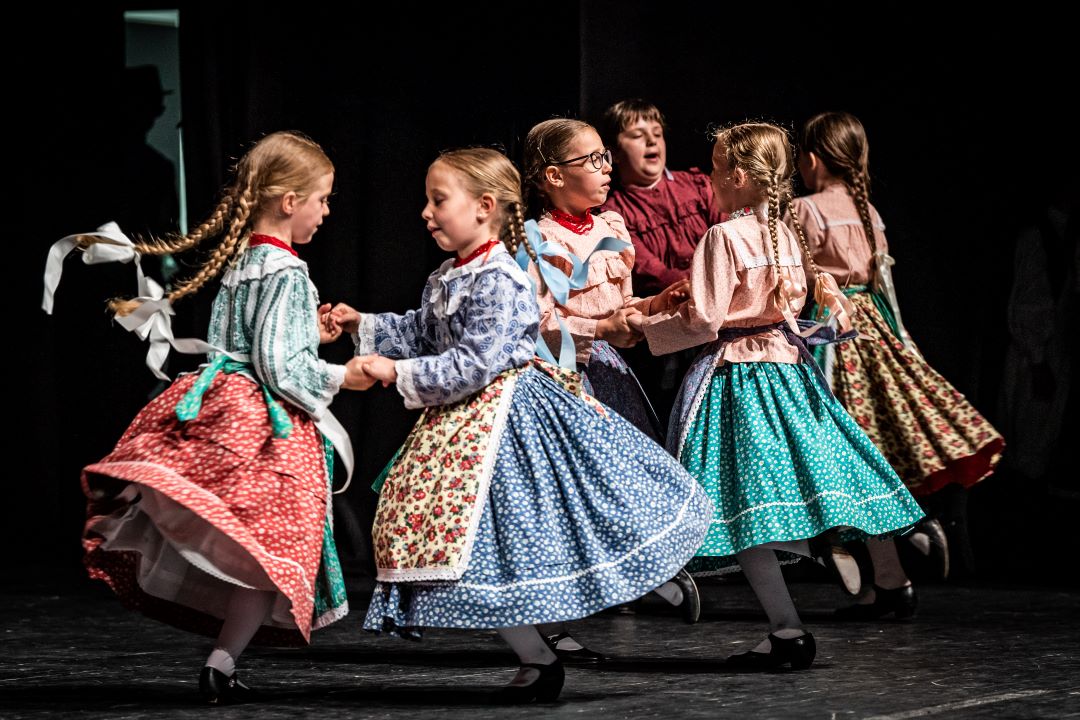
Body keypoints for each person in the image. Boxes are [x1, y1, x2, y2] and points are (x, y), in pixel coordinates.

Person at [330, 148, 711, 702]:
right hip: (462, 425)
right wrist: (361, 325)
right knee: (473, 545)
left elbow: (475, 362)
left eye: (439, 200)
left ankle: (616, 603)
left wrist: (395, 372)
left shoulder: (500, 277)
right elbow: (423, 333)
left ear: (485, 207)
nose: (426, 213)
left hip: (506, 421)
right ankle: (538, 656)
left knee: (523, 533)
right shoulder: (448, 275)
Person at [43, 131, 375, 703]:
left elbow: (257, 344)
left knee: (254, 548)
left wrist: (308, 335)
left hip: (223, 402)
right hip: (262, 424)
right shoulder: (288, 271)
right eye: (322, 199)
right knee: (271, 551)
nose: (326, 212)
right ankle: (221, 662)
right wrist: (343, 374)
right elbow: (279, 366)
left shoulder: (246, 261)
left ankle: (222, 664)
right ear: (290, 201)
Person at [634, 122, 925, 669]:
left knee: (737, 502)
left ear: (738, 176)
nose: (711, 180)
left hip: (739, 376)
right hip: (788, 372)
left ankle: (788, 625)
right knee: (776, 489)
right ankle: (806, 581)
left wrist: (643, 328)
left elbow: (705, 319)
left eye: (716, 169)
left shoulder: (723, 237)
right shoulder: (785, 235)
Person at [788, 112, 1004, 616]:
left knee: (828, 446)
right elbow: (882, 285)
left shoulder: (805, 210)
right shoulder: (869, 212)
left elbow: (798, 282)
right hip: (874, 331)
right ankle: (890, 579)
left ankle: (898, 533)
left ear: (812, 159)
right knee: (869, 449)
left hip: (831, 332)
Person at [522, 118, 689, 443]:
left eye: (606, 157)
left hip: (611, 371)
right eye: (595, 159)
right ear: (555, 176)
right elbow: (535, 325)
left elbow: (622, 305)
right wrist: (599, 330)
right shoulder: (541, 241)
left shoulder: (609, 227)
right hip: (566, 377)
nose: (608, 167)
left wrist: (656, 303)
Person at [598, 99, 723, 430]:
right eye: (638, 135)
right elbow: (646, 266)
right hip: (667, 336)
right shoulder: (614, 214)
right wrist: (692, 287)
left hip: (718, 316)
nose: (652, 140)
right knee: (675, 417)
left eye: (657, 132)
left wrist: (716, 284)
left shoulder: (697, 186)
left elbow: (726, 234)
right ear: (614, 152)